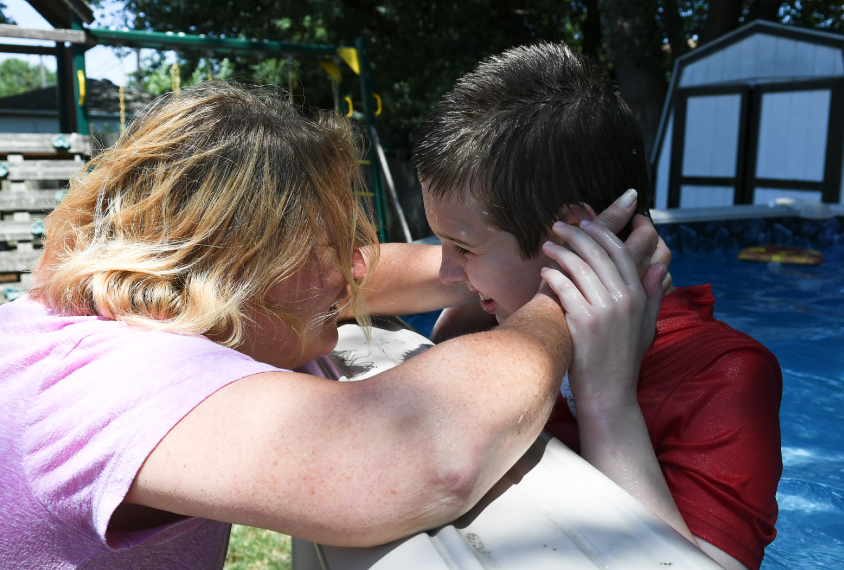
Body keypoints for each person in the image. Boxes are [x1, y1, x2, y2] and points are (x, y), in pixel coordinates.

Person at [0, 82, 661, 568]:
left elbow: (396, 271)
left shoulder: (112, 308)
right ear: (243, 263)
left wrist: (490, 256)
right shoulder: (123, 376)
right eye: (332, 243)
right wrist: (566, 298)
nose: (354, 274)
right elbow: (416, 459)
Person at [412, 43, 783, 570]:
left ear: (578, 235)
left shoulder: (725, 377)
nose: (448, 273)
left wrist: (608, 402)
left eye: (465, 249)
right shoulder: (494, 319)